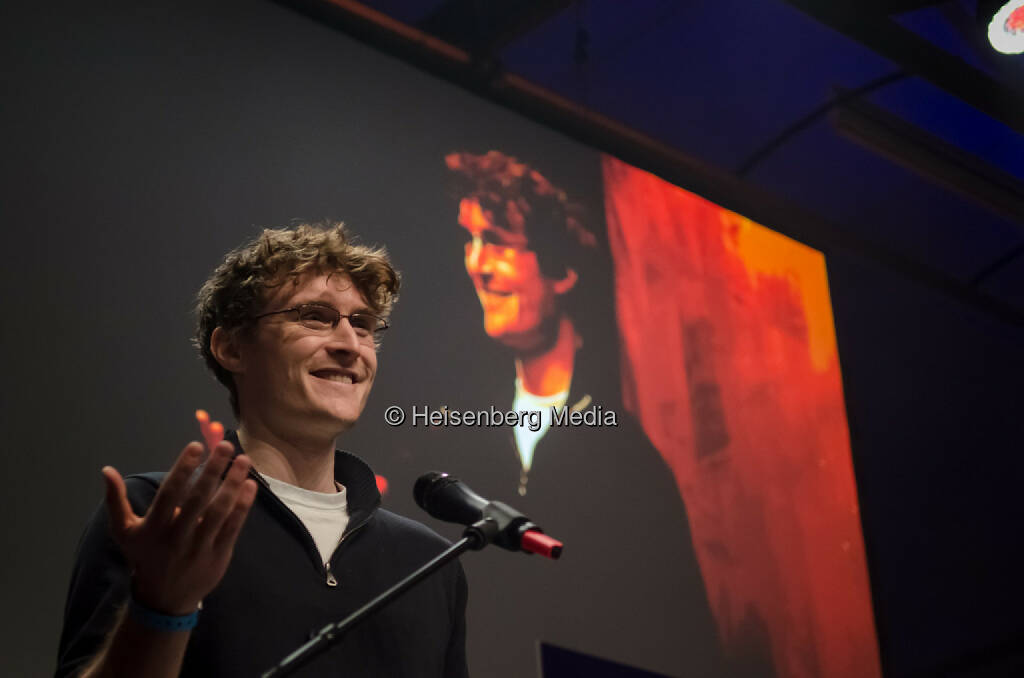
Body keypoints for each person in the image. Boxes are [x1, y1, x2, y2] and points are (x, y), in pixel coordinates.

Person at [56, 224, 469, 678]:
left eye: (364, 325)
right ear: (232, 348)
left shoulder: (430, 563)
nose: (350, 345)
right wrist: (162, 607)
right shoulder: (158, 516)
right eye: (315, 316)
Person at [442, 151, 739, 678]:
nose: (477, 264)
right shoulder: (460, 441)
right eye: (471, 240)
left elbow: (677, 639)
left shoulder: (626, 458)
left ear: (563, 271)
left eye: (500, 244)